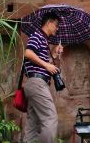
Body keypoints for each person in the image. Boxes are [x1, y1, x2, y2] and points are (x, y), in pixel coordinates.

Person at [23, 12, 64, 143]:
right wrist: (47, 65)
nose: (57, 28)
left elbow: (45, 65)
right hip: (37, 83)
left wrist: (54, 53)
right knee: (50, 118)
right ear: (48, 23)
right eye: (56, 25)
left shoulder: (44, 41)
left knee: (32, 125)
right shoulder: (37, 36)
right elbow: (28, 53)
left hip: (34, 83)